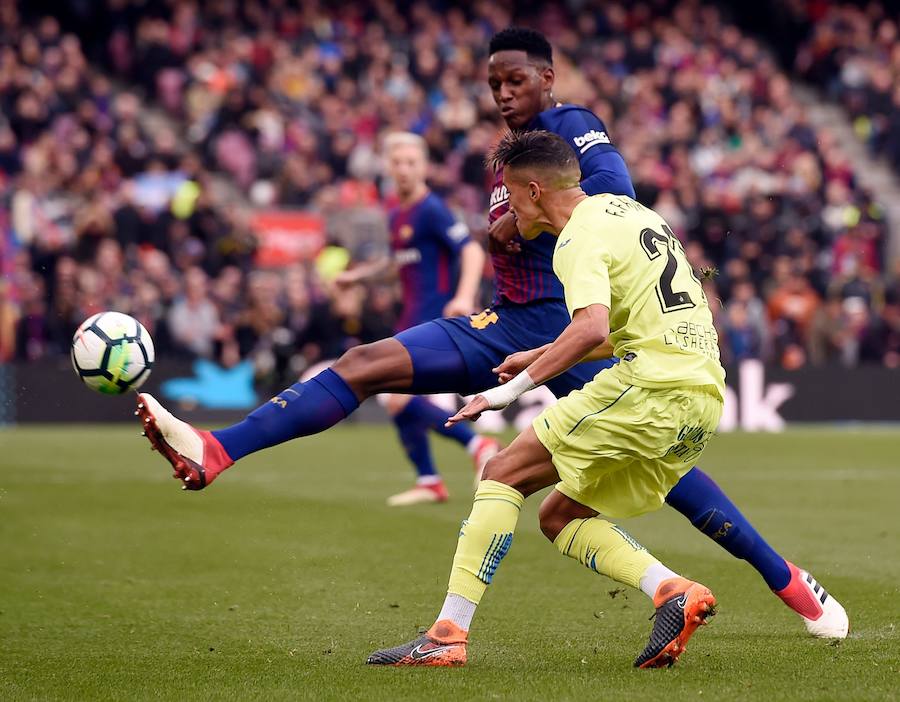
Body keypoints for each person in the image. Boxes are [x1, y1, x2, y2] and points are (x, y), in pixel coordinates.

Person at [136, 28, 844, 639]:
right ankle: (217, 449)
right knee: (364, 364)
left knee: (671, 481)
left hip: (566, 326)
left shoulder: (573, 127)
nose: (503, 93)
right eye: (492, 83)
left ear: (547, 77)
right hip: (510, 325)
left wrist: (522, 218)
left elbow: (617, 200)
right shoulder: (516, 149)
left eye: (515, 80)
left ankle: (787, 582)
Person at [366, 130, 848, 669]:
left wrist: (506, 392)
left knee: (502, 472)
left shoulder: (574, 240)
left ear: (532, 191)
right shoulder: (631, 213)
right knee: (559, 515)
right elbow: (628, 327)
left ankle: (447, 635)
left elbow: (591, 327)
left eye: (507, 196)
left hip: (650, 389)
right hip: (703, 395)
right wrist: (540, 354)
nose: (504, 213)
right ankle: (671, 590)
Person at [334, 132, 499, 505]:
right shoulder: (396, 213)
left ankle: (478, 443)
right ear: (388, 168)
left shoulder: (431, 209)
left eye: (412, 162)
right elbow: (397, 266)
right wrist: (356, 276)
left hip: (433, 318)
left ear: (424, 166)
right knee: (395, 396)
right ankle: (429, 480)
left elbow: (471, 251)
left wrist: (463, 296)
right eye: (398, 163)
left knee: (391, 395)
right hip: (409, 317)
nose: (405, 170)